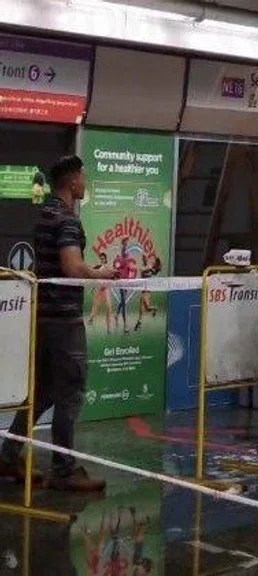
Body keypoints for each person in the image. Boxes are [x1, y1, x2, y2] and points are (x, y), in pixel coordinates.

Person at [0, 155, 117, 491]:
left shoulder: (45, 215)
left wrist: (84, 268)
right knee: (71, 391)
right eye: (82, 176)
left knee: (43, 392)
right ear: (71, 181)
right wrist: (100, 273)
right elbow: (72, 268)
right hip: (64, 321)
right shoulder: (66, 220)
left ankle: (8, 456)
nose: (85, 182)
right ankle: (63, 470)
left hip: (43, 317)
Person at [112, 237, 138, 334]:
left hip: (126, 282)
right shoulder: (121, 259)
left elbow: (131, 269)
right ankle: (125, 325)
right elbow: (123, 250)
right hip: (121, 282)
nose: (127, 254)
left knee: (123, 302)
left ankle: (116, 315)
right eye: (125, 252)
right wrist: (124, 243)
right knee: (124, 302)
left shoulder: (127, 261)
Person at [87, 252, 115, 333]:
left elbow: (112, 276)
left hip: (106, 289)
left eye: (103, 259)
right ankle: (91, 319)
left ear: (105, 259)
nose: (102, 260)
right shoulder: (99, 269)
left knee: (109, 308)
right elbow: (96, 280)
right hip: (100, 290)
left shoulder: (109, 268)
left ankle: (109, 328)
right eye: (101, 259)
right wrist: (93, 288)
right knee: (96, 307)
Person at [134, 253, 160, 332]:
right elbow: (143, 270)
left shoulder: (150, 266)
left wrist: (156, 268)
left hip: (147, 290)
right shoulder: (143, 267)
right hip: (143, 289)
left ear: (147, 258)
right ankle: (140, 322)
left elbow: (155, 272)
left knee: (145, 307)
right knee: (145, 308)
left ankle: (139, 323)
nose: (144, 259)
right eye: (143, 258)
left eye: (145, 257)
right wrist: (150, 269)